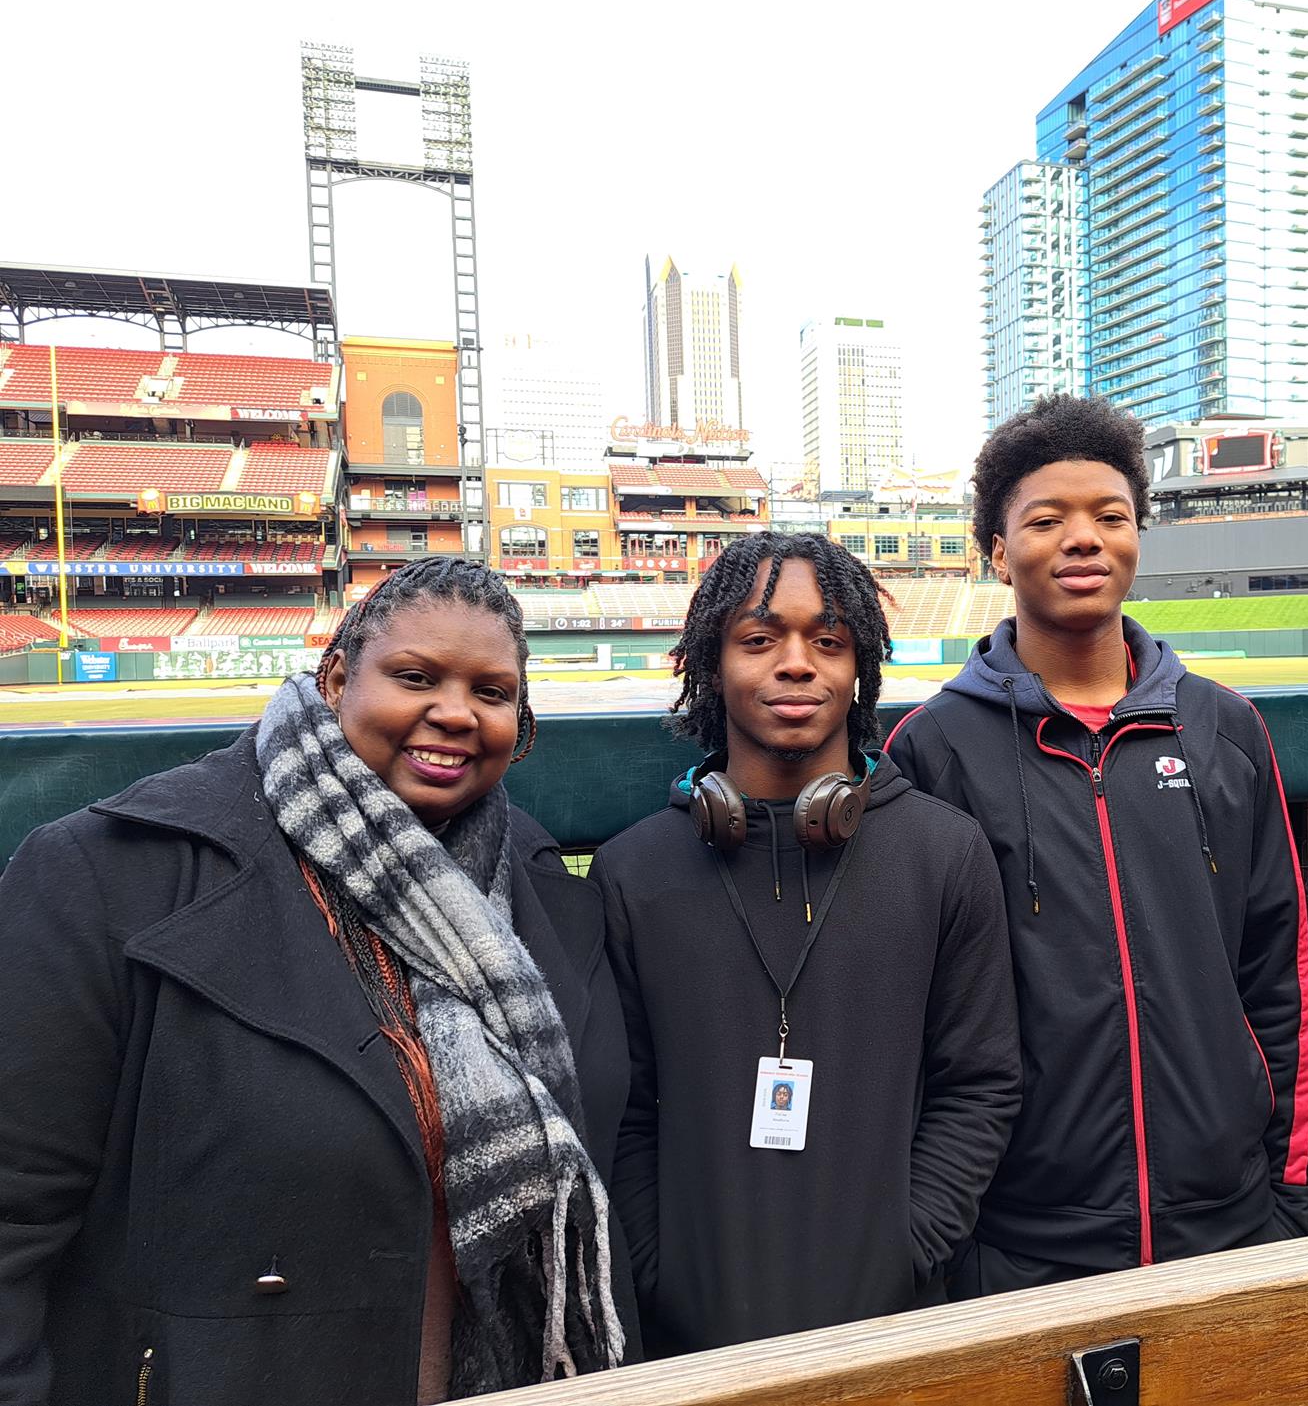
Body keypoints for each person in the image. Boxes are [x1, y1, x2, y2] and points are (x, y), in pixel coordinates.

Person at [0, 557, 634, 1406]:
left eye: (491, 691)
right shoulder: (108, 873)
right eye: (415, 677)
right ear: (336, 676)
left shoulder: (535, 877)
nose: (453, 711)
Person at [884, 393, 1308, 1295]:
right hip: (1018, 1234)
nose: (1083, 538)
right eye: (1046, 520)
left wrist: (1286, 1189)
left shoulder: (1225, 729)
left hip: (1230, 1220)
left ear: (1136, 537)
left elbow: (1281, 972)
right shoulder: (931, 747)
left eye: (1110, 516)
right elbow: (910, 1013)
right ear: (999, 553)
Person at [593, 532, 1019, 1355]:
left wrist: (907, 1248)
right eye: (759, 639)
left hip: (895, 1332)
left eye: (828, 641)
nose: (797, 663)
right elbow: (624, 1110)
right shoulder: (628, 871)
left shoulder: (947, 853)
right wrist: (660, 1268)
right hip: (694, 1346)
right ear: (712, 665)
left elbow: (982, 1083)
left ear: (860, 666)